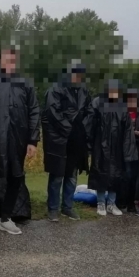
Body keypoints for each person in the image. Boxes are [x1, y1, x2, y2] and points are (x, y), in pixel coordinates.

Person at [0, 47, 39, 237]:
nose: (9, 62)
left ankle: (5, 218)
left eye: (12, 59)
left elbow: (34, 111)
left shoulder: (25, 83)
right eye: (6, 59)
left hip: (19, 140)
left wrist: (33, 140)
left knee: (16, 177)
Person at [41, 61, 92, 222]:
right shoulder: (55, 90)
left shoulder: (84, 91)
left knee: (72, 175)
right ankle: (53, 208)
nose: (77, 76)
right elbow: (52, 113)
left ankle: (67, 207)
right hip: (59, 139)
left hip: (77, 140)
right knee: (57, 175)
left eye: (80, 73)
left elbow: (89, 112)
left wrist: (83, 129)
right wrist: (69, 129)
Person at [86, 80, 137, 217]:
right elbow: (89, 124)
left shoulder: (122, 106)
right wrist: (89, 145)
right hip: (100, 145)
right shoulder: (97, 103)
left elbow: (128, 130)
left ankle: (111, 203)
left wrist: (128, 150)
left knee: (116, 175)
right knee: (100, 174)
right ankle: (100, 203)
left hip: (117, 147)